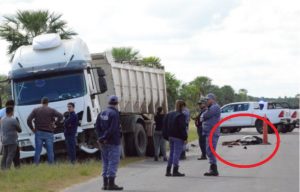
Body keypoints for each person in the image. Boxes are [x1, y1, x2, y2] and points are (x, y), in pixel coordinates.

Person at [95, 95, 123, 191]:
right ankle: (111, 184)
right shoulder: (114, 114)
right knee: (113, 162)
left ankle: (105, 184)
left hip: (103, 142)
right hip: (113, 141)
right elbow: (113, 129)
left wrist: (101, 138)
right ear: (117, 103)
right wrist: (105, 137)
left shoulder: (102, 113)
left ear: (108, 102)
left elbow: (97, 127)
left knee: (105, 162)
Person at [27, 97, 63, 165]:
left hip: (38, 132)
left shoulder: (36, 110)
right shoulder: (51, 110)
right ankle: (51, 165)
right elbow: (60, 116)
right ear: (47, 103)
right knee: (50, 150)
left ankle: (36, 165)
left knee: (38, 150)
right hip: (49, 133)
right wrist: (55, 124)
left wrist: (32, 128)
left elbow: (29, 120)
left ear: (41, 102)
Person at [163, 100, 188, 177]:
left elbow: (165, 125)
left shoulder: (169, 114)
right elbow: (182, 128)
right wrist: (185, 137)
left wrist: (166, 136)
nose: (185, 108)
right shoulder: (181, 115)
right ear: (182, 106)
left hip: (170, 136)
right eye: (184, 106)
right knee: (176, 154)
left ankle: (168, 171)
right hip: (178, 137)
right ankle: (175, 170)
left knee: (171, 154)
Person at [202, 93, 221, 176]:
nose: (206, 101)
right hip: (208, 132)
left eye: (208, 100)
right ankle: (212, 168)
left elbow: (205, 115)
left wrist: (204, 113)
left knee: (210, 150)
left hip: (212, 132)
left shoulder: (215, 107)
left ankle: (214, 168)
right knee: (209, 150)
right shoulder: (210, 107)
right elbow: (202, 116)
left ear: (212, 99)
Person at [0, 100, 21, 168]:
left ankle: (3, 168)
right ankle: (9, 168)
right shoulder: (13, 118)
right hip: (12, 139)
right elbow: (19, 129)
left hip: (3, 138)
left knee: (5, 155)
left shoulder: (2, 117)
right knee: (12, 154)